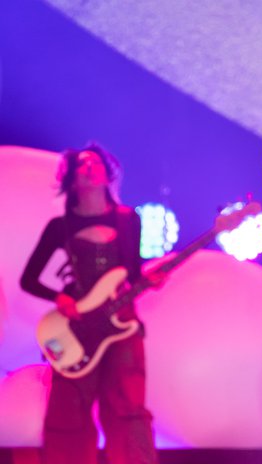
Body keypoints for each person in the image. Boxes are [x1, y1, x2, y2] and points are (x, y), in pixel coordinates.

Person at [20, 143, 160, 464]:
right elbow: (29, 279)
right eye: (83, 164)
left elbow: (133, 273)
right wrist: (61, 297)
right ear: (71, 180)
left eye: (97, 163)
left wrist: (148, 281)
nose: (91, 167)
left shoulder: (128, 219)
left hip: (121, 324)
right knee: (68, 411)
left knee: (128, 407)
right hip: (76, 327)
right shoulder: (60, 227)